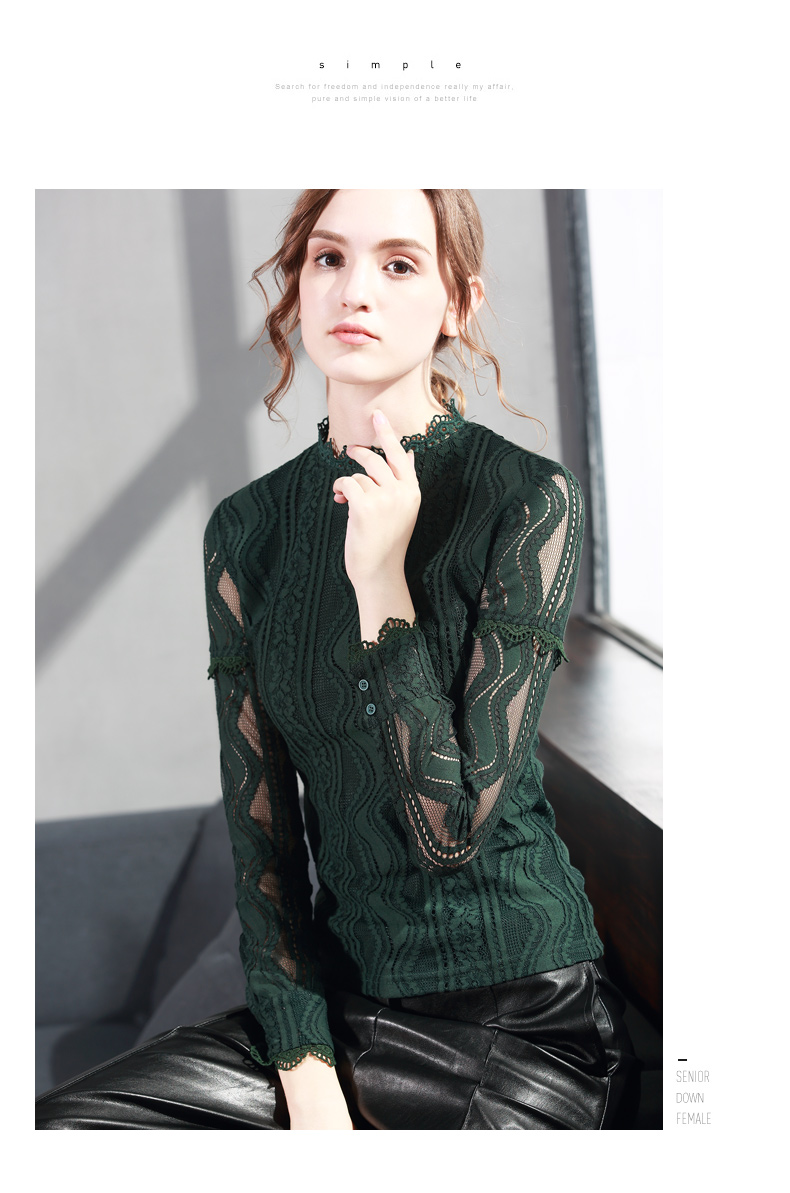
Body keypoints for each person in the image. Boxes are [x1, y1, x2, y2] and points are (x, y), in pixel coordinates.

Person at [36, 189, 640, 1130]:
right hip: (346, 1005)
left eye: (398, 263)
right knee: (65, 1132)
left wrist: (382, 582)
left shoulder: (525, 499)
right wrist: (305, 1064)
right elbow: (264, 848)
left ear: (458, 302)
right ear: (297, 286)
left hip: (518, 1020)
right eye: (328, 258)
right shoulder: (248, 530)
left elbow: (450, 831)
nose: (355, 288)